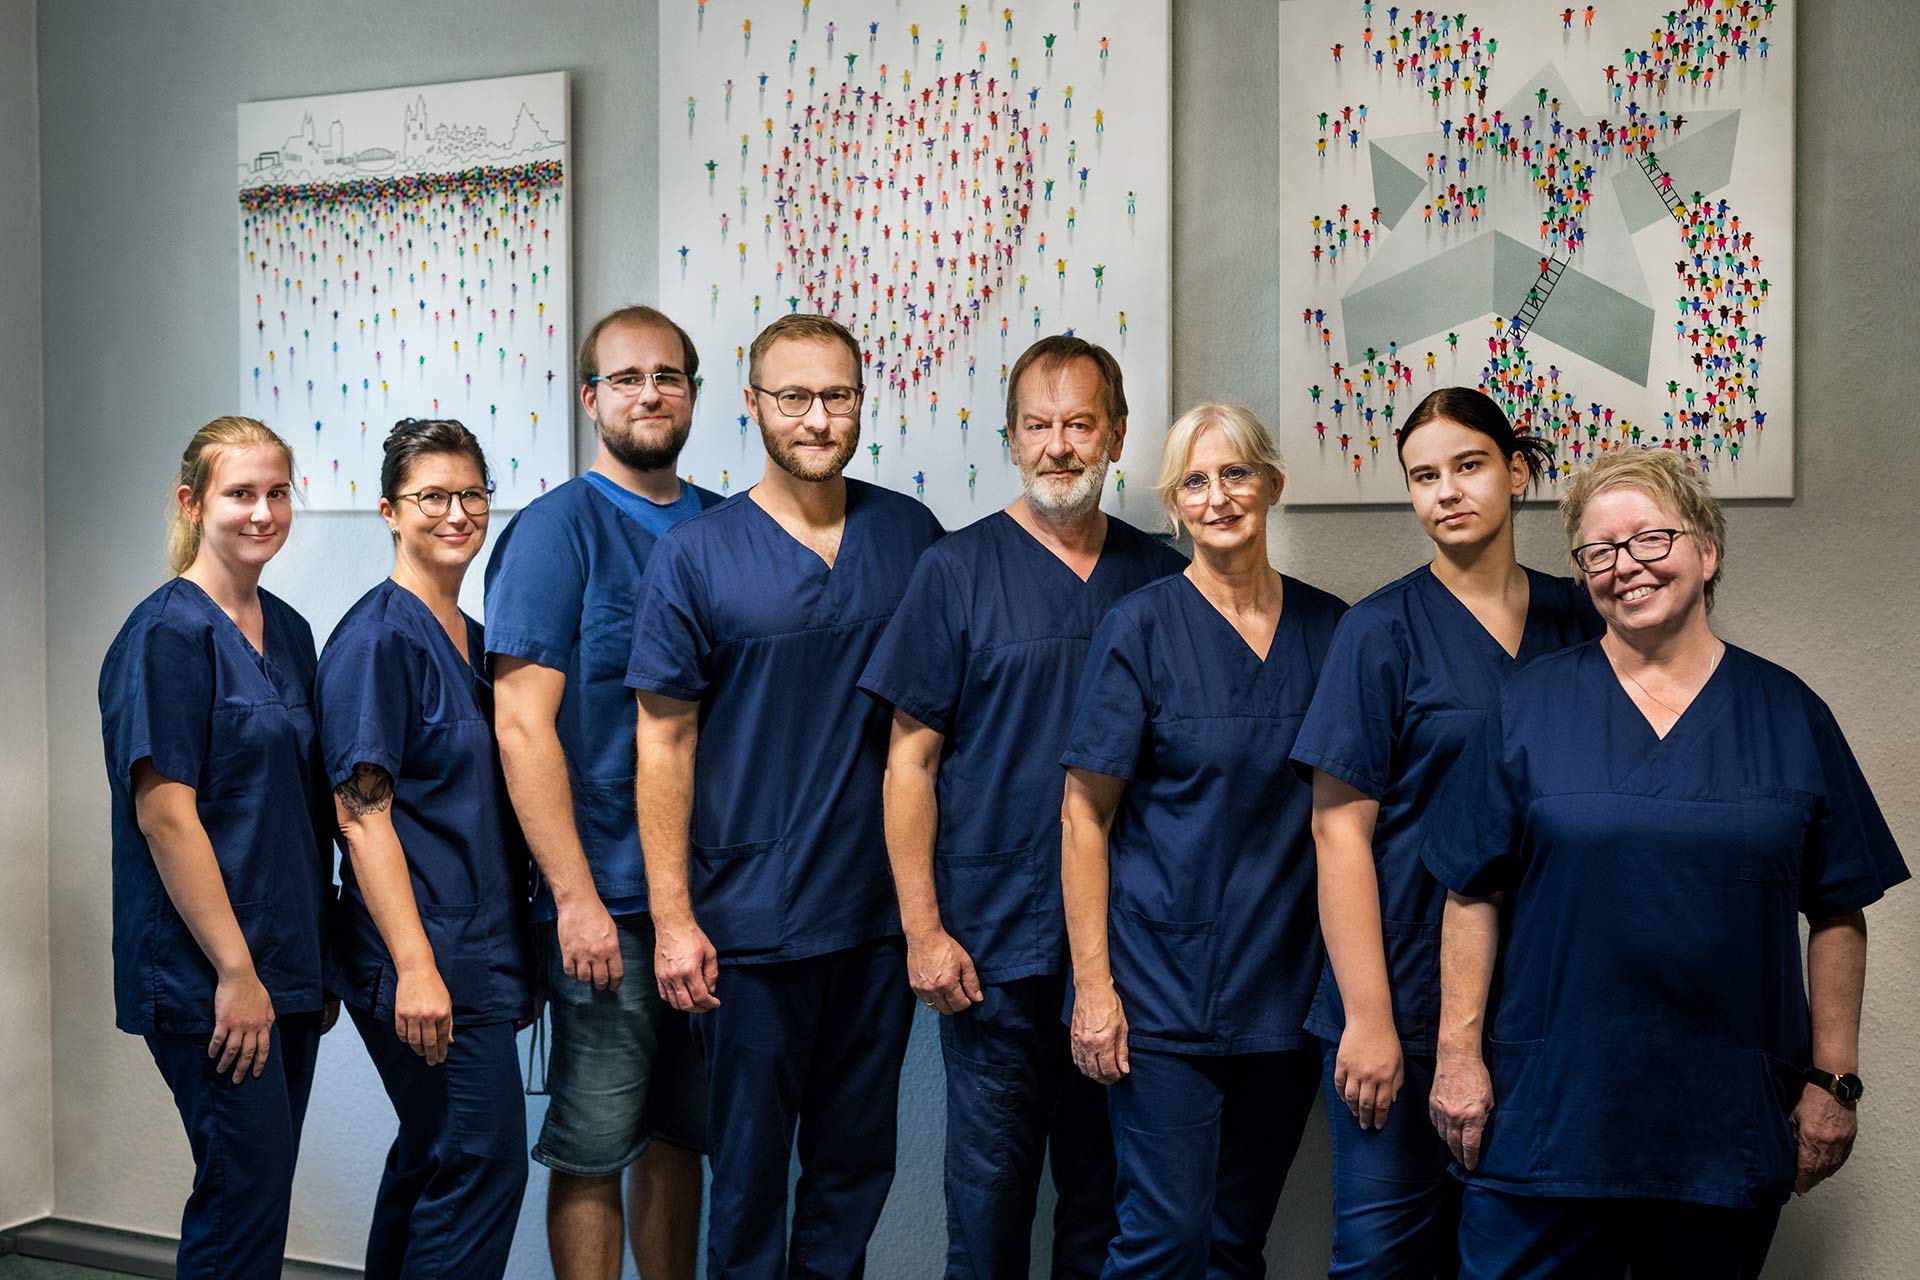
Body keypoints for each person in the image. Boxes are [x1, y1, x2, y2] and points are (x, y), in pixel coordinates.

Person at [1423, 449, 1909, 1278]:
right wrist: (1458, 1057)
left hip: (1720, 1122)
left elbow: (1837, 907)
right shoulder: (1529, 706)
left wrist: (1836, 1080)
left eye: (1651, 539)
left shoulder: (1789, 713)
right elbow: (1472, 889)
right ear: (1582, 577)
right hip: (1552, 1116)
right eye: (1600, 551)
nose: (1627, 566)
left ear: (1707, 551)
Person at [859, 337, 1183, 1279]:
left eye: (1081, 424)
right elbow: (907, 765)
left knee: (1107, 1199)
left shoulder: (1161, 576)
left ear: (1117, 435)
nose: (1059, 447)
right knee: (990, 1204)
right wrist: (922, 929)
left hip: (1133, 953)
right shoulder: (955, 572)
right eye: (1038, 427)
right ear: (1008, 440)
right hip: (992, 949)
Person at [628, 314, 944, 1279]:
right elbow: (663, 741)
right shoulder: (697, 555)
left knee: (855, 1169)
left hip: (876, 922)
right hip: (750, 926)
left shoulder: (913, 538)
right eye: (794, 397)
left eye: (837, 395)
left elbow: (933, 736)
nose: (817, 417)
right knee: (753, 1177)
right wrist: (673, 919)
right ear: (755, 404)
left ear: (862, 399)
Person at [1288, 388, 1601, 1278]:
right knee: (1383, 1256)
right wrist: (1370, 1019)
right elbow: (1338, 832)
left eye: (1467, 466)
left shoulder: (1580, 620)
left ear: (1516, 470)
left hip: (1544, 1005)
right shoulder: (1378, 631)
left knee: (1531, 1255)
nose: (1446, 492)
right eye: (1423, 477)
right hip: (1404, 994)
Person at [1059, 404, 1345, 1278]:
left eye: (1235, 474)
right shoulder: (1140, 629)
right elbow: (1083, 815)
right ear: (1176, 506)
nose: (1218, 497)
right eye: (1194, 481)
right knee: (1164, 1241)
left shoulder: (1334, 632)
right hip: (1162, 997)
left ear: (1273, 485)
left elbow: (1352, 816)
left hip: (1287, 993)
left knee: (1233, 1242)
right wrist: (1095, 990)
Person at [485, 306, 720, 1280]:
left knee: (680, 1135)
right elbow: (520, 724)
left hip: (714, 902)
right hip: (606, 905)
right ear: (591, 400)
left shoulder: (725, 524)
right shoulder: (555, 532)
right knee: (594, 1139)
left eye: (667, 375)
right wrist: (573, 897)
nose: (648, 393)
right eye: (625, 377)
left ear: (695, 396)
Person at [98, 416, 335, 1279]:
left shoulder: (293, 631)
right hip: (210, 975)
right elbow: (166, 816)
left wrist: (308, 971)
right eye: (240, 493)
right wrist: (238, 973)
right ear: (193, 503)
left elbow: (298, 811)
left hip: (288, 968)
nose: (263, 512)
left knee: (257, 1197)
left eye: (277, 492)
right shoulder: (166, 634)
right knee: (240, 1203)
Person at [318, 418, 533, 1280]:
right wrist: (415, 968)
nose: (456, 513)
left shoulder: (475, 638)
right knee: (481, 1165)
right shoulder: (377, 641)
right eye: (432, 497)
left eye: (471, 493)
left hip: (473, 949)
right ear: (389, 512)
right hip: (422, 958)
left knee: (434, 1154)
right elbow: (362, 818)